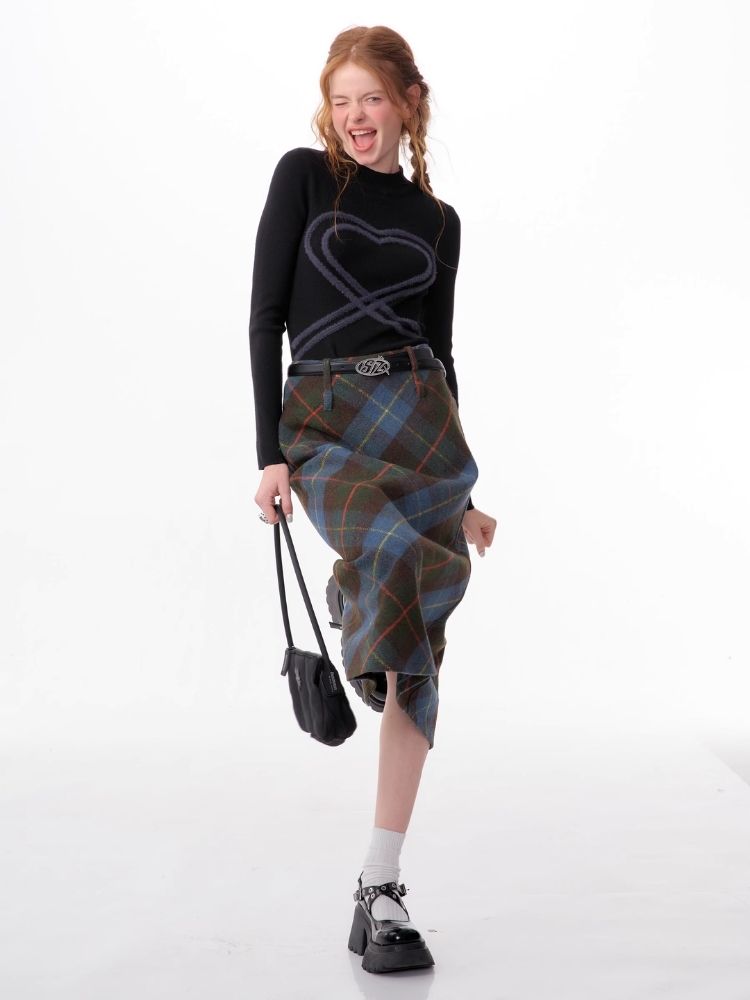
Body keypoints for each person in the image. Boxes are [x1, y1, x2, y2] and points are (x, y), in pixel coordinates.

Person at [248, 25, 497, 974]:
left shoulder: (441, 222)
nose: (355, 116)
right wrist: (269, 455)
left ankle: (380, 887)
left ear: (407, 102)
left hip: (420, 426)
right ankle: (363, 606)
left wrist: (465, 491)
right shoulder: (303, 179)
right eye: (341, 99)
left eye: (372, 98)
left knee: (416, 665)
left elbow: (443, 356)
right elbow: (266, 318)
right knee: (389, 559)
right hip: (323, 420)